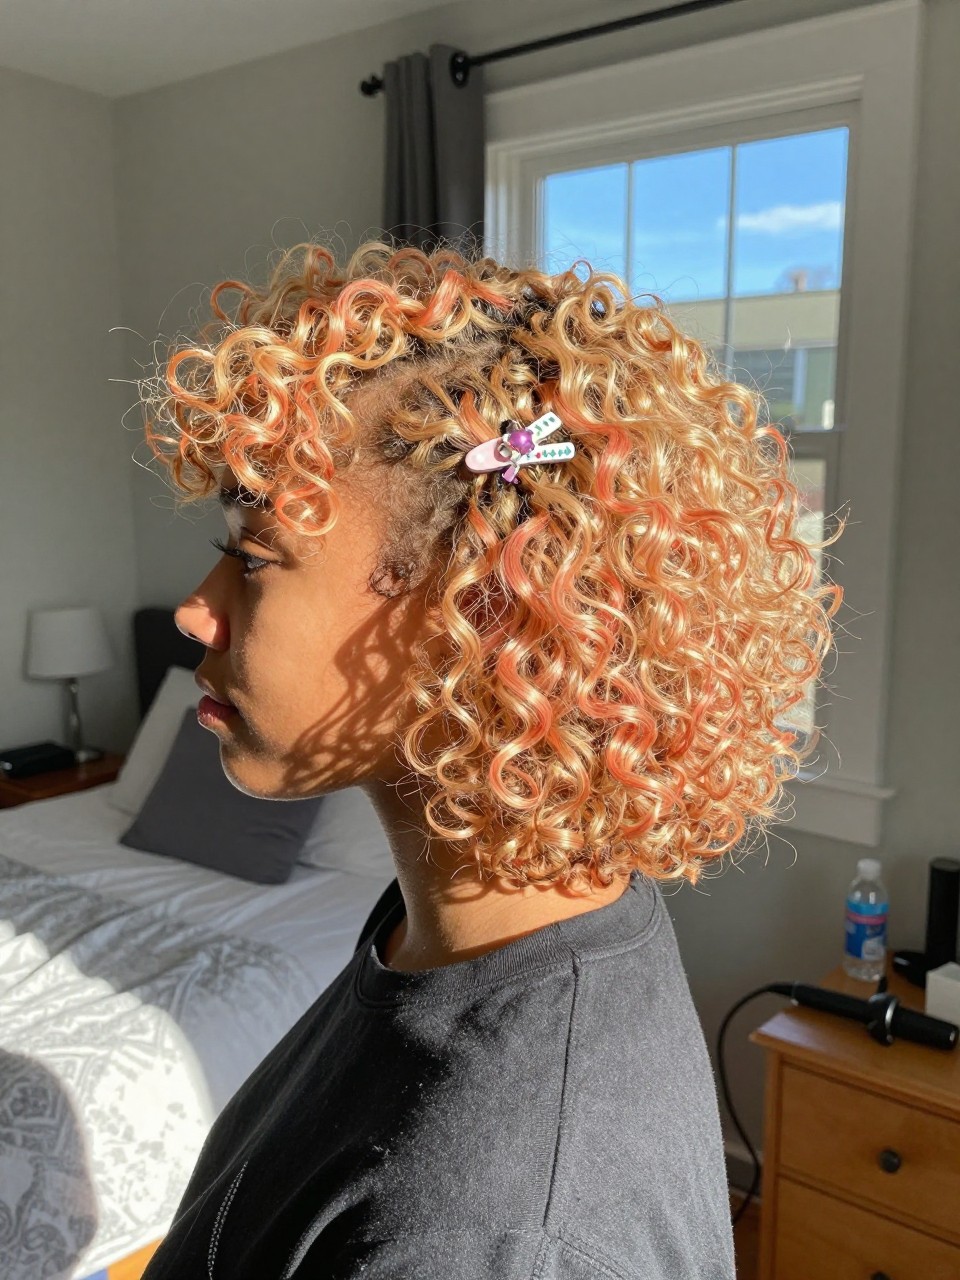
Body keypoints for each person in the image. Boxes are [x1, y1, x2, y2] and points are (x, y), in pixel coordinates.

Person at [137, 236, 844, 1279]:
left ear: (482, 604)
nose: (198, 610)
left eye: (255, 556)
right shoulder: (465, 931)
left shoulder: (491, 1235)